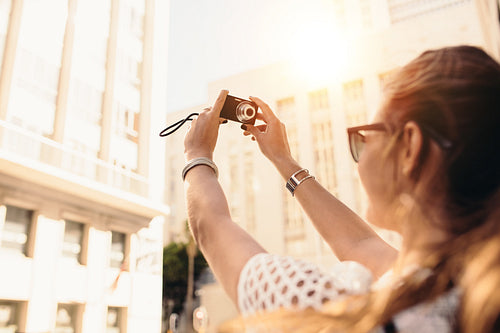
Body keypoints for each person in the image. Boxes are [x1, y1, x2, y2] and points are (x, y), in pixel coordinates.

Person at [181, 45, 500, 332]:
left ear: (409, 148)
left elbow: (211, 228)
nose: (359, 156)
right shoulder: (464, 293)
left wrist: (196, 155)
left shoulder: (350, 311)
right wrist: (282, 159)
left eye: (364, 138)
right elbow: (359, 244)